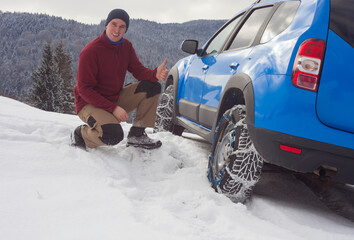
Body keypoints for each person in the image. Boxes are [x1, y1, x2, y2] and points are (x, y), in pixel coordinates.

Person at [71, 9, 168, 150]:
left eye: (122, 26)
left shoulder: (126, 47)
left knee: (151, 87)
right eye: (114, 24)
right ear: (106, 25)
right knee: (112, 135)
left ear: (126, 29)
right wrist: (113, 108)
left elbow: (138, 70)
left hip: (113, 99)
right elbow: (84, 90)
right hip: (88, 103)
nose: (117, 30)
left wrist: (154, 75)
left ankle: (137, 134)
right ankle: (80, 134)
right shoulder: (91, 51)